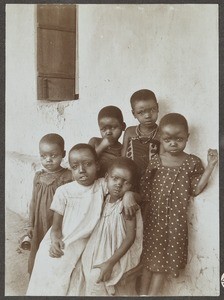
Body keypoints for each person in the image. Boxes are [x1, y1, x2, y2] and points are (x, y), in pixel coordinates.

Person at [26, 144, 138, 296]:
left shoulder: (101, 185)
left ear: (97, 165)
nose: (82, 170)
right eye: (75, 166)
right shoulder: (64, 191)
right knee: (50, 268)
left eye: (88, 164)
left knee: (76, 279)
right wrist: (54, 240)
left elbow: (122, 186)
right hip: (63, 241)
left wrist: (129, 194)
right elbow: (56, 226)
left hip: (86, 244)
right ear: (71, 169)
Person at [139, 113, 218, 295]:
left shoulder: (192, 162)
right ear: (160, 138)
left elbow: (196, 189)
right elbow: (145, 187)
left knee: (161, 264)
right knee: (148, 262)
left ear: (187, 138)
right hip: (154, 221)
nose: (173, 143)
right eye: (167, 139)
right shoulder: (156, 162)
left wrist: (210, 166)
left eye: (179, 139)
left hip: (174, 225)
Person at [68, 157, 143, 296]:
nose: (118, 184)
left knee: (97, 278)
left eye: (125, 182)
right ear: (107, 178)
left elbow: (130, 237)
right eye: (115, 178)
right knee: (81, 273)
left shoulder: (127, 205)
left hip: (115, 253)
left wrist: (110, 263)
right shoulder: (103, 197)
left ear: (131, 186)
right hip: (96, 247)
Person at [27, 133, 72, 275]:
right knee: (38, 248)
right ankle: (37, 279)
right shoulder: (38, 177)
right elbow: (33, 201)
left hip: (57, 223)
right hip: (40, 222)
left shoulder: (68, 176)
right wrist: (30, 224)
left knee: (55, 250)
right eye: (43, 156)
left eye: (53, 155)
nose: (48, 160)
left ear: (63, 154)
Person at [122, 89, 160, 178]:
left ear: (158, 107)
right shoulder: (130, 132)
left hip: (153, 179)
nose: (147, 116)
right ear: (133, 113)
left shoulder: (162, 134)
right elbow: (123, 157)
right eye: (141, 112)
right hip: (130, 178)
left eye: (152, 109)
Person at [89, 105, 126, 177]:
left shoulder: (123, 149)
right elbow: (86, 160)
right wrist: (101, 146)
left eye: (113, 128)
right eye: (103, 129)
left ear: (123, 126)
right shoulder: (94, 142)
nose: (108, 132)